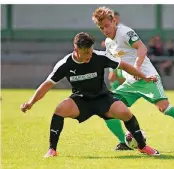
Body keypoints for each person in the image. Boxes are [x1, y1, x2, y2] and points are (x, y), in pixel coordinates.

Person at [20, 32, 160, 157]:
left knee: (124, 112)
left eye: (90, 51)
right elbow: (47, 85)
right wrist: (31, 102)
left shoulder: (99, 56)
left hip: (102, 98)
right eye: (85, 52)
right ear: (76, 50)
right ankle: (52, 150)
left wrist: (143, 76)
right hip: (81, 100)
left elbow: (123, 65)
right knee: (60, 109)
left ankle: (142, 146)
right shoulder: (65, 64)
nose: (89, 55)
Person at [92, 6, 174, 150]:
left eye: (107, 25)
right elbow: (116, 62)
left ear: (113, 21)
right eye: (101, 28)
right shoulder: (108, 43)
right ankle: (124, 141)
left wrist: (137, 67)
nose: (105, 30)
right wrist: (114, 73)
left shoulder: (125, 32)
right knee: (107, 108)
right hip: (130, 83)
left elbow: (142, 48)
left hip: (147, 77)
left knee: (164, 108)